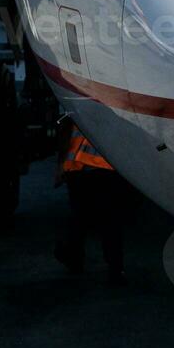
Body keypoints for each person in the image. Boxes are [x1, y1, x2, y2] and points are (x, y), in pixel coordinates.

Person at [54, 118, 139, 284]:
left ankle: (74, 259)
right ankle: (115, 269)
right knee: (110, 221)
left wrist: (60, 165)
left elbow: (65, 129)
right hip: (109, 167)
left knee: (80, 217)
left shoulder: (78, 97)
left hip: (80, 166)